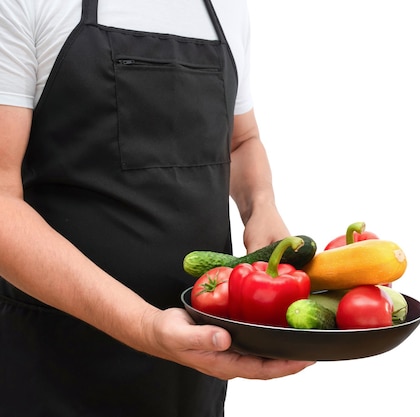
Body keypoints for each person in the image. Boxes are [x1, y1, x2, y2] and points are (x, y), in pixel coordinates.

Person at [0, 0, 314, 415]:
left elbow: (242, 140)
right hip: (53, 368)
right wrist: (146, 327)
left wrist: (261, 208)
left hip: (193, 369)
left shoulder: (227, 8)